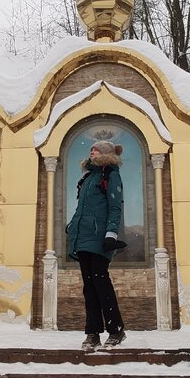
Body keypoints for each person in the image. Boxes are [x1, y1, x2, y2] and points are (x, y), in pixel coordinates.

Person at [66, 139, 126, 350]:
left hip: (100, 238)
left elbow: (115, 208)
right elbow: (81, 208)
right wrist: (72, 227)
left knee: (101, 283)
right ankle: (92, 333)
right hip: (82, 238)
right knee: (89, 287)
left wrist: (111, 233)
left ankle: (116, 330)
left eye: (96, 149)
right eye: (91, 148)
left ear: (106, 154)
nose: (92, 151)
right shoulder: (88, 178)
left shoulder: (110, 175)